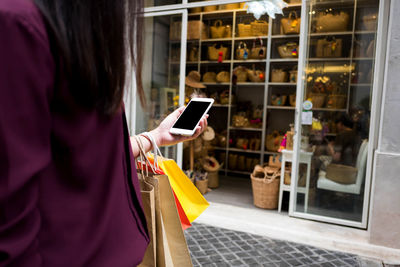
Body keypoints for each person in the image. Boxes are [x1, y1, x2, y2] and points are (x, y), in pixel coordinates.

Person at [0, 0, 208, 266]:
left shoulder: (82, 33)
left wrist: (157, 136)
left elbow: (90, 156)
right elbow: (9, 225)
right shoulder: (18, 25)